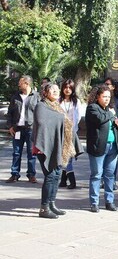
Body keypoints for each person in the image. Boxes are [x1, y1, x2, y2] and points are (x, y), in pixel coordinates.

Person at [33, 83, 82, 219]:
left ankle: (51, 204)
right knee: (50, 176)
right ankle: (44, 208)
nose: (55, 91)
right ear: (45, 92)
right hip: (45, 146)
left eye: (56, 90)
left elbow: (65, 124)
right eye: (52, 90)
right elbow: (42, 122)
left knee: (57, 175)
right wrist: (62, 119)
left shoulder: (57, 106)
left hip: (58, 146)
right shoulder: (41, 106)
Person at [85, 85, 118, 213]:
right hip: (98, 146)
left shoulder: (110, 109)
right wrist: (111, 114)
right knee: (96, 175)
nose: (107, 99)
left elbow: (116, 119)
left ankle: (109, 201)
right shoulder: (92, 108)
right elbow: (100, 119)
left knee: (110, 175)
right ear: (97, 97)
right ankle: (94, 202)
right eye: (104, 96)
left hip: (113, 146)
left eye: (108, 96)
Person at [5, 75, 40, 183]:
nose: (18, 84)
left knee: (31, 153)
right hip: (17, 129)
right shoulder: (15, 96)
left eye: (21, 82)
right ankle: (14, 174)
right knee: (16, 152)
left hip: (31, 129)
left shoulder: (36, 96)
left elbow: (40, 114)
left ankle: (31, 175)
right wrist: (10, 126)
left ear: (27, 83)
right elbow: (9, 112)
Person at [104, 78, 118, 190]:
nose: (106, 86)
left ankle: (112, 180)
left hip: (116, 133)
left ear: (113, 87)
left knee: (114, 160)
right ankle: (104, 180)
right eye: (105, 84)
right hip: (103, 135)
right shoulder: (98, 101)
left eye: (108, 84)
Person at [58, 79, 82, 189]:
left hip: (71, 132)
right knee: (64, 156)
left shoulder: (76, 101)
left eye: (70, 88)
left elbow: (78, 117)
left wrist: (71, 128)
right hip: (60, 132)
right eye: (65, 87)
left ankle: (72, 181)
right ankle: (63, 180)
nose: (67, 90)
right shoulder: (58, 101)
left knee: (68, 156)